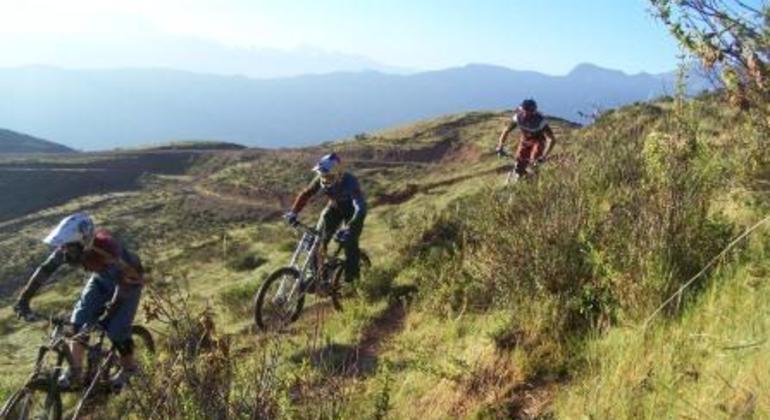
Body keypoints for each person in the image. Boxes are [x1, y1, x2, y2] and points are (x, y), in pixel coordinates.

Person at [13, 213, 144, 389]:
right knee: (78, 320)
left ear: (84, 243)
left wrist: (107, 315)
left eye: (70, 248)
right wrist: (24, 298)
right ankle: (75, 373)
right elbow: (45, 270)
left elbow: (124, 287)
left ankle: (129, 369)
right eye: (64, 247)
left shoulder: (109, 251)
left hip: (128, 281)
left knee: (116, 329)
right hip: (102, 279)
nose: (66, 252)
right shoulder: (68, 248)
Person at [285, 153, 367, 284]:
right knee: (317, 239)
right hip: (334, 208)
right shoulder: (321, 178)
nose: (325, 179)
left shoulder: (350, 181)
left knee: (350, 243)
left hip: (353, 212)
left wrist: (350, 226)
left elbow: (360, 207)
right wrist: (293, 212)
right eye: (323, 175)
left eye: (328, 176)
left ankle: (353, 281)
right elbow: (306, 194)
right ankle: (315, 274)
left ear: (338, 174)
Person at [496, 98, 557, 179]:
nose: (526, 115)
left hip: (538, 141)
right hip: (525, 140)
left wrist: (544, 156)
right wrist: (500, 146)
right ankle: (521, 178)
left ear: (533, 112)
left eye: (529, 113)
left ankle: (535, 181)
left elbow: (552, 139)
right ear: (522, 109)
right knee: (519, 163)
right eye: (524, 111)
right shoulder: (517, 117)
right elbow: (506, 131)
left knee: (534, 161)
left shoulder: (540, 121)